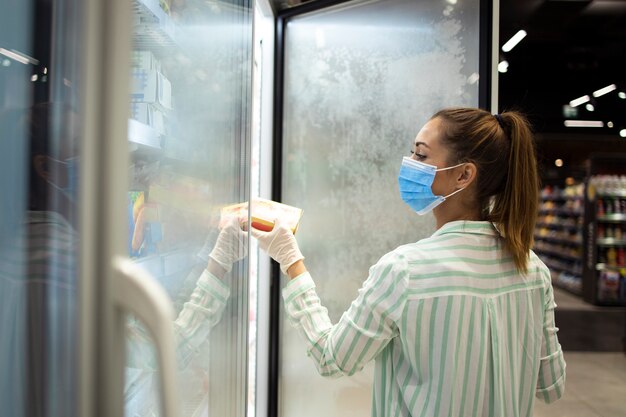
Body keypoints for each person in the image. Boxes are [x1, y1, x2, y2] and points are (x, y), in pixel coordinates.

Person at [252, 107, 566, 417]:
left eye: (421, 155)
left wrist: (291, 261)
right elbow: (551, 386)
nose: (409, 165)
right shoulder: (534, 272)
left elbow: (333, 359)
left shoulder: (405, 271)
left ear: (463, 175)